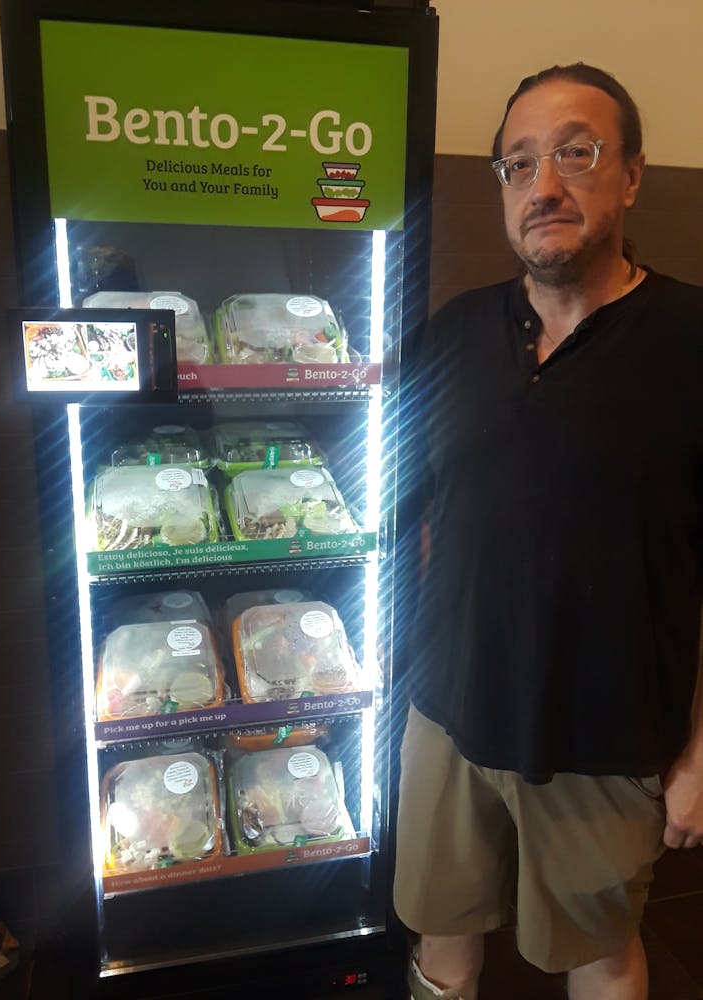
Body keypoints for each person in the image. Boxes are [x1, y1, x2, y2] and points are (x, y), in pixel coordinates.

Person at [393, 63, 703, 1000]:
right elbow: (420, 515)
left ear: (634, 174)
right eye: (519, 164)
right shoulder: (452, 333)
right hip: (445, 718)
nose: (545, 186)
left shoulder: (689, 338)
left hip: (604, 739)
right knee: (441, 938)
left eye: (576, 152)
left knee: (601, 956)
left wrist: (699, 754)